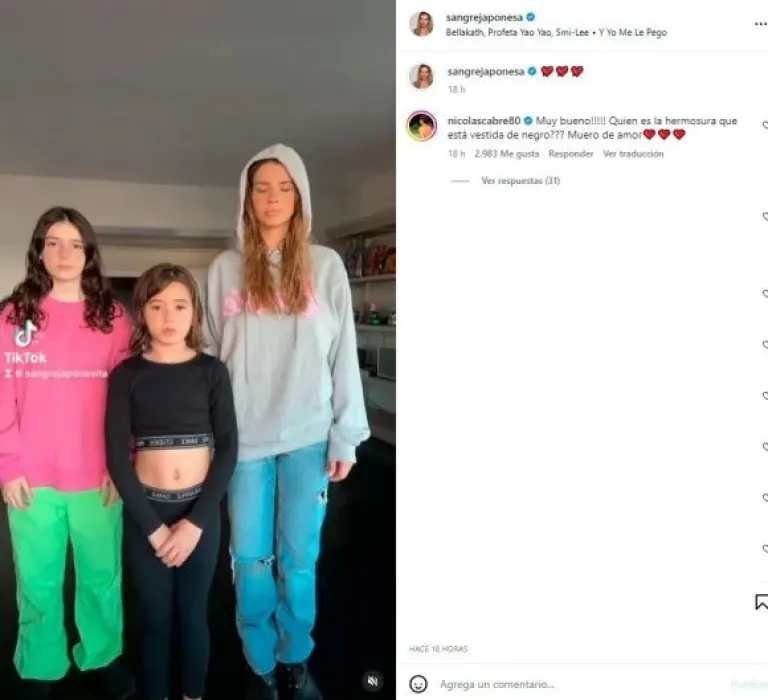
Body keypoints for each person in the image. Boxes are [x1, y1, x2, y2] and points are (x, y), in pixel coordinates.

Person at [205, 144, 370, 700]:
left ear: (299, 197)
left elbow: (342, 353)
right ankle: (259, 659)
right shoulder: (224, 270)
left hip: (308, 436)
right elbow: (208, 357)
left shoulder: (325, 266)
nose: (272, 199)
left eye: (284, 188)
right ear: (246, 199)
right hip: (243, 440)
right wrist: (206, 437)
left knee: (300, 561)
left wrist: (346, 435)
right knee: (250, 560)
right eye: (261, 188)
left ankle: (295, 655)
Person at [0, 206, 135, 700]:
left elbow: (128, 398)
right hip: (31, 477)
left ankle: (101, 654)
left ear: (88, 253)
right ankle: (40, 663)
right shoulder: (14, 316)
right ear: (39, 251)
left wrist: (121, 464)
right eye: (53, 243)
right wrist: (7, 464)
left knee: (101, 578)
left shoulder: (114, 318)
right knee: (36, 580)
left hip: (98, 475)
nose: (64, 253)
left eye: (75, 244)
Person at [105, 263, 238, 700]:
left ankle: (193, 694)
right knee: (155, 620)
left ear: (194, 312)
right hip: (148, 516)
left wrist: (195, 523)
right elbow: (117, 459)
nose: (168, 316)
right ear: (141, 312)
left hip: (201, 515)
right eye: (156, 306)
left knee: (194, 616)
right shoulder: (126, 375)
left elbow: (228, 449)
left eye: (180, 306)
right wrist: (156, 530)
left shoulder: (212, 372)